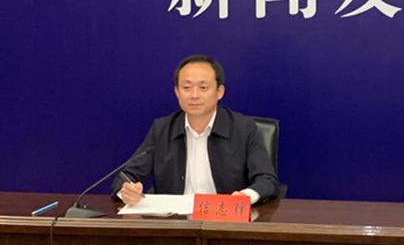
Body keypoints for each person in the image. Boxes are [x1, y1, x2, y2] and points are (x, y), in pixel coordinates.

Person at [112, 55, 279, 205]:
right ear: (177, 92)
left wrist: (245, 196)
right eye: (186, 87)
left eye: (203, 88)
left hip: (225, 219)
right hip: (175, 222)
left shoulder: (243, 128)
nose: (194, 95)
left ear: (219, 92)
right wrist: (126, 190)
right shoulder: (162, 129)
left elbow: (267, 179)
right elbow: (126, 176)